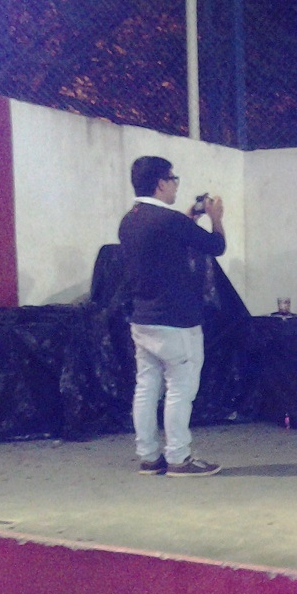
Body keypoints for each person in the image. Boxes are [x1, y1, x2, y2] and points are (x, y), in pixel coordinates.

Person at [119, 156, 226, 477]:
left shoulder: (129, 220)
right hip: (176, 320)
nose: (176, 184)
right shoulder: (169, 220)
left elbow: (166, 240)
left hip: (142, 317)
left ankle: (149, 457)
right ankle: (179, 457)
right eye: (173, 178)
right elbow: (215, 245)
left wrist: (191, 216)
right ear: (161, 183)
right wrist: (216, 218)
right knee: (180, 388)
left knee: (146, 387)